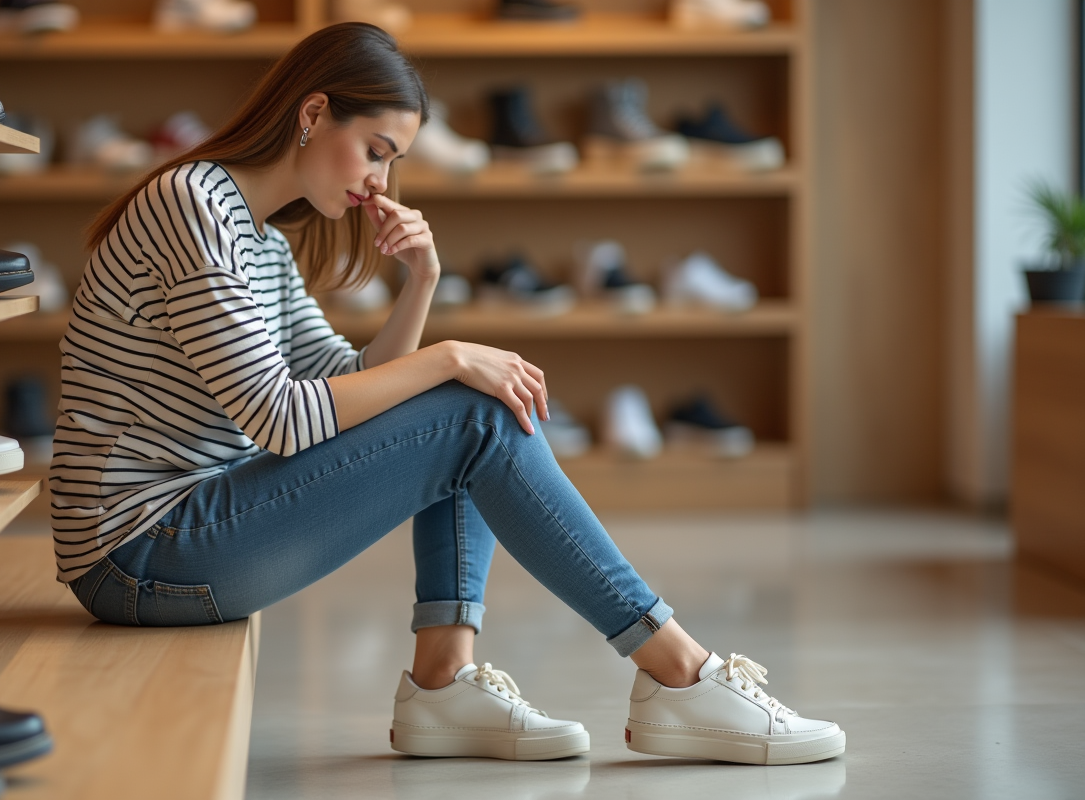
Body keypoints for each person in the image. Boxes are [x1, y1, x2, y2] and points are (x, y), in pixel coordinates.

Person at [51, 22, 844, 766]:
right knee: (473, 408)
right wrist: (448, 359)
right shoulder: (194, 204)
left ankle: (445, 680)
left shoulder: (258, 237)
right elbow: (283, 419)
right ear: (313, 114)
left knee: (471, 406)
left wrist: (422, 282)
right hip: (138, 554)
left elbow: (352, 387)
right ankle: (679, 673)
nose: (380, 181)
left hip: (185, 529)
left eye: (393, 161)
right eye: (375, 150)